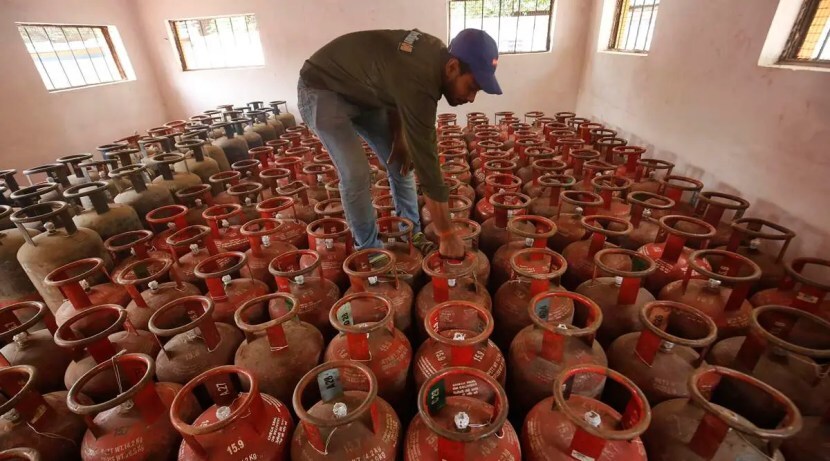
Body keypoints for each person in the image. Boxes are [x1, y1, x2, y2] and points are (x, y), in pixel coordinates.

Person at [297, 28, 502, 260]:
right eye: (472, 87)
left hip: (364, 93)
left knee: (402, 162)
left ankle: (410, 233)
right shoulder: (421, 77)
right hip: (322, 89)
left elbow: (394, 90)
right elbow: (429, 166)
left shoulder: (434, 58)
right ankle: (368, 251)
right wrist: (446, 234)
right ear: (452, 67)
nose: (471, 98)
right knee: (356, 174)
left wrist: (400, 137)